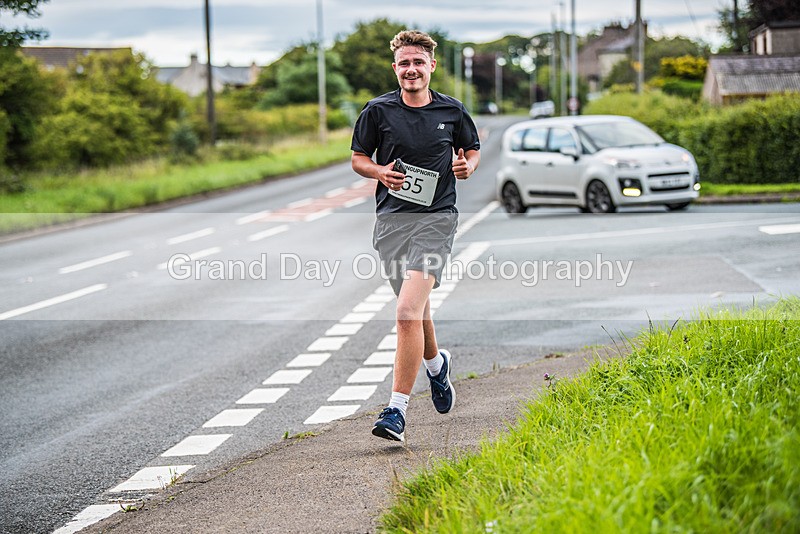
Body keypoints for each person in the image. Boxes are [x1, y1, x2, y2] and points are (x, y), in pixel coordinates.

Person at [350, 29, 481, 443]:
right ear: (396, 68)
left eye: (418, 63)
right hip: (391, 223)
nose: (411, 69)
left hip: (436, 220)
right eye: (404, 63)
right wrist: (379, 172)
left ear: (431, 66)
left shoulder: (452, 110)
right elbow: (358, 158)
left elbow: (472, 149)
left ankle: (396, 411)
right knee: (416, 310)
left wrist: (468, 167)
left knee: (406, 312)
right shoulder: (377, 111)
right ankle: (437, 365)